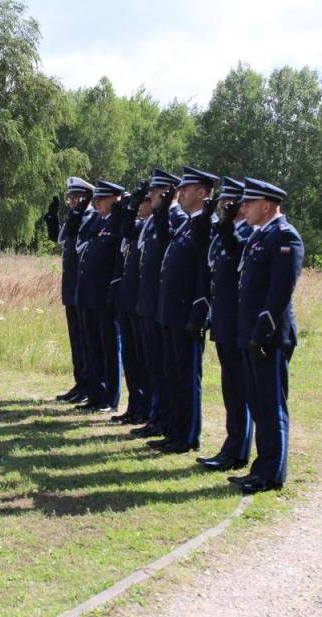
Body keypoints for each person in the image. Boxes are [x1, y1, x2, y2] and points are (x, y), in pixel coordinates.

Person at [222, 177, 304, 494]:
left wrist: (262, 331)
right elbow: (235, 260)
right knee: (258, 404)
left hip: (269, 336)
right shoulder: (259, 236)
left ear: (266, 205)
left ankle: (272, 473)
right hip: (251, 333)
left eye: (249, 202)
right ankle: (261, 468)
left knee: (271, 405)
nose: (244, 207)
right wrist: (226, 224)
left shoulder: (285, 236)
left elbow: (280, 291)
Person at [150, 167, 218, 454]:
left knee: (187, 378)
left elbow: (206, 274)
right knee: (173, 375)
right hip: (171, 312)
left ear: (202, 192)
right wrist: (161, 211)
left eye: (186, 189)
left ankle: (189, 436)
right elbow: (164, 243)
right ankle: (174, 431)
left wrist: (198, 314)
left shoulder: (208, 225)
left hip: (187, 314)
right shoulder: (188, 224)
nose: (180, 193)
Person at [196, 178, 256, 471]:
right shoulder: (226, 232)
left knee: (239, 389)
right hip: (223, 320)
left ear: (241, 206)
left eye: (227, 203)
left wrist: (227, 226)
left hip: (236, 322)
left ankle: (237, 450)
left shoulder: (246, 234)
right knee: (230, 388)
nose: (222, 208)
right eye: (222, 204)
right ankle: (232, 446)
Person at [137, 169, 186, 440]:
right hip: (150, 303)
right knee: (154, 366)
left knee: (165, 369)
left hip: (162, 305)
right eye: (153, 192)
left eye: (157, 192)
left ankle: (164, 419)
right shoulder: (157, 219)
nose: (153, 196)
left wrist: (163, 211)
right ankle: (156, 417)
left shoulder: (177, 218)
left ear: (169, 193)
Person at [74, 180, 125, 412]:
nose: (97, 203)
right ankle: (95, 394)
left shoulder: (117, 223)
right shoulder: (98, 221)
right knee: (92, 346)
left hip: (105, 296)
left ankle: (110, 397)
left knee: (109, 348)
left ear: (115, 200)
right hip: (90, 295)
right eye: (96, 199)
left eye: (102, 199)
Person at [45, 177, 95, 403]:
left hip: (83, 287)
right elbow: (59, 239)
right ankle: (80, 382)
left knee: (87, 341)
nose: (73, 201)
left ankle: (89, 385)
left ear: (87, 198)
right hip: (71, 286)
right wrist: (52, 218)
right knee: (76, 340)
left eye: (77, 197)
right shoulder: (75, 218)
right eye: (71, 197)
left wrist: (77, 213)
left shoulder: (91, 218)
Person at [112, 181, 150, 425]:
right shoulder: (139, 226)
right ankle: (135, 406)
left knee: (143, 360)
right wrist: (129, 206)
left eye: (143, 201)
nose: (140, 206)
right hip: (129, 300)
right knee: (131, 358)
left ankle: (145, 409)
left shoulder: (156, 225)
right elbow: (123, 230)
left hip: (141, 301)